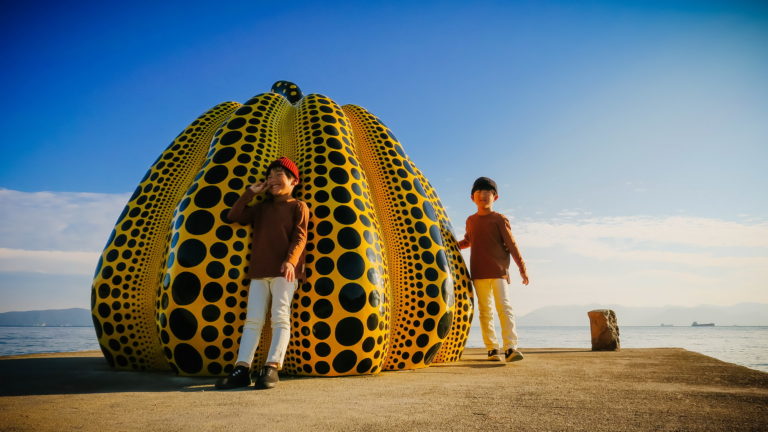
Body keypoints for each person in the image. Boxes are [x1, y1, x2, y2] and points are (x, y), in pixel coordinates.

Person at [215, 156, 309, 389]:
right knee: (252, 321)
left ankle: (272, 367)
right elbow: (233, 216)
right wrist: (250, 193)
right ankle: (242, 368)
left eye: (279, 175)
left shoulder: (298, 206)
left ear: (293, 181)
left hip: (285, 272)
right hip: (259, 271)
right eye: (270, 176)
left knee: (279, 318)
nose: (272, 180)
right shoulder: (262, 209)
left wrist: (290, 261)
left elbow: (300, 236)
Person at [458, 176, 529, 362]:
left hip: (499, 272)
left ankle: (511, 347)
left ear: (495, 197)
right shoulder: (471, 220)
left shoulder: (499, 219)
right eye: (478, 191)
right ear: (472, 197)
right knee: (485, 311)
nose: (483, 195)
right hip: (478, 273)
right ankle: (492, 349)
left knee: (504, 308)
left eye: (487, 191)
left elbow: (512, 245)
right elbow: (468, 241)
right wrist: (452, 244)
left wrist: (522, 268)